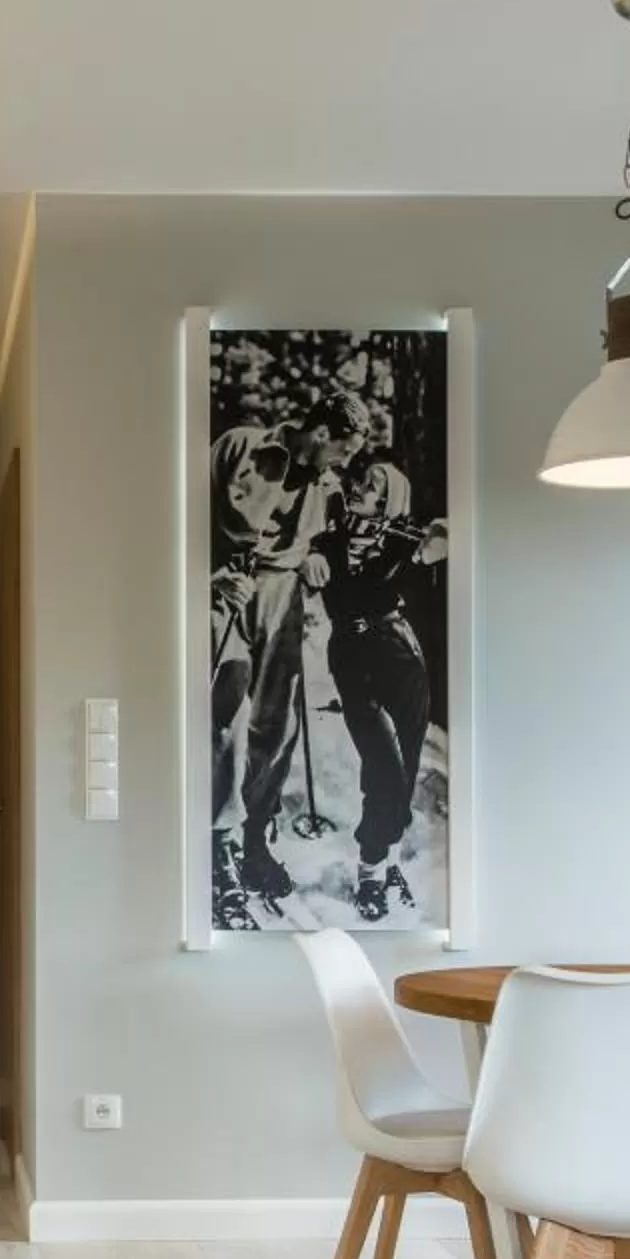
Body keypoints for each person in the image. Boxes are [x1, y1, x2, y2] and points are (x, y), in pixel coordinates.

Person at [209, 388, 370, 927]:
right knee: (227, 722)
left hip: (284, 598)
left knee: (277, 727)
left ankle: (255, 838)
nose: (344, 462)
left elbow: (325, 539)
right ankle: (220, 850)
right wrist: (211, 576)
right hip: (227, 592)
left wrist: (315, 557)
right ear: (321, 433)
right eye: (343, 450)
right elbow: (181, 517)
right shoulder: (242, 446)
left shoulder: (328, 485)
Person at [315, 458, 444, 921]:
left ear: (389, 502)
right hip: (353, 657)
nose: (358, 489)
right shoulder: (329, 539)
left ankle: (386, 863)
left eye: (371, 488)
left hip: (399, 652)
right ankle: (371, 870)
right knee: (384, 766)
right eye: (360, 482)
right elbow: (310, 564)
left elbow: (445, 542)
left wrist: (439, 539)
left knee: (403, 772)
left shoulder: (404, 541)